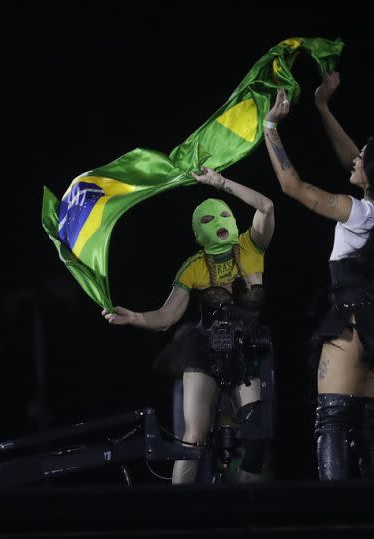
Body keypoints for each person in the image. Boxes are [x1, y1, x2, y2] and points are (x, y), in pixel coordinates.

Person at [262, 73, 374, 480]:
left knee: (331, 423)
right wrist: (321, 107)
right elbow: (350, 154)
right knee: (369, 433)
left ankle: (334, 517)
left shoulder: (358, 212)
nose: (355, 159)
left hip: (352, 323)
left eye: (363, 159)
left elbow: (292, 185)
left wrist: (269, 127)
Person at [103, 168, 275, 484]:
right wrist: (136, 318)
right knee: (192, 438)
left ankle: (250, 511)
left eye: (223, 215)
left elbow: (266, 207)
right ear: (197, 232)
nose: (217, 222)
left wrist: (222, 183)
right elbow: (168, 316)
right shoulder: (193, 265)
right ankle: (177, 512)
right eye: (206, 220)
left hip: (246, 347)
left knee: (256, 435)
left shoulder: (251, 247)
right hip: (205, 348)